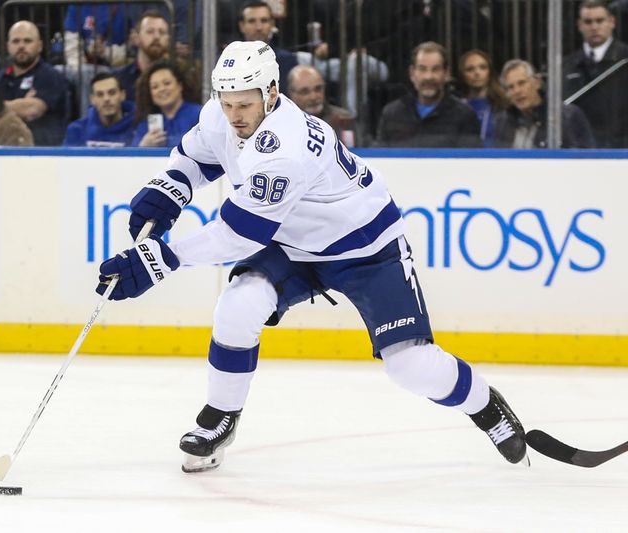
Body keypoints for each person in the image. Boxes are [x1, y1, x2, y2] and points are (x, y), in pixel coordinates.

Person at [96, 40, 528, 474]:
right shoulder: (222, 112)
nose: (234, 116)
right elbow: (197, 156)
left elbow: (239, 234)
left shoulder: (286, 147)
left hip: (366, 247)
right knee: (238, 304)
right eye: (226, 104)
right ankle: (220, 418)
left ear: (270, 92)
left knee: (411, 367)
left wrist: (160, 259)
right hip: (293, 240)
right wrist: (169, 187)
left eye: (244, 105)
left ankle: (487, 407)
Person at [375, 42, 482, 148]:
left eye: (435, 69)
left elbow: (471, 161)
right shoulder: (392, 114)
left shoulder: (464, 115)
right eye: (422, 69)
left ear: (446, 74)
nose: (428, 77)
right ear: (412, 73)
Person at [562, 0, 628, 148]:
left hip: (621, 153)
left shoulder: (624, 58)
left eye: (599, 21)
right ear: (579, 25)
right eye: (588, 22)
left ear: (612, 22)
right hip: (578, 153)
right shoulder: (567, 65)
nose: (594, 27)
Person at [0, 20, 70, 146]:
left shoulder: (50, 75)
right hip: (6, 148)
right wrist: (19, 104)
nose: (21, 46)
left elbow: (31, 110)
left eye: (27, 41)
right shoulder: (1, 77)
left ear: (40, 46)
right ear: (8, 46)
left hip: (43, 151)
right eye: (16, 41)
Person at [494, 59, 595, 149]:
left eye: (522, 83)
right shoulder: (502, 122)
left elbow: (584, 161)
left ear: (537, 83)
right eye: (510, 87)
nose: (517, 91)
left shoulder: (567, 116)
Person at [287, 65, 367, 147]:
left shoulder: (343, 119)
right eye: (305, 92)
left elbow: (362, 152)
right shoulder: (284, 123)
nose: (313, 97)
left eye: (318, 89)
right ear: (292, 94)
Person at [131, 61, 201, 147]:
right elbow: (131, 155)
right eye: (155, 87)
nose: (161, 89)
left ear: (180, 86)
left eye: (167, 83)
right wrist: (143, 147)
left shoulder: (199, 115)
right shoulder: (146, 123)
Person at [237, 1, 299, 95]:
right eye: (252, 21)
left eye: (264, 20)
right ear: (242, 26)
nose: (259, 27)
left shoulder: (287, 60)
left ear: (272, 24)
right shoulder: (231, 61)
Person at [111, 11, 172, 102]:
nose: (156, 37)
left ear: (168, 40)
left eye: (162, 32)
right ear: (136, 38)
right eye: (150, 31)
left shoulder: (177, 78)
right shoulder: (118, 78)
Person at [64, 73, 136, 147]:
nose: (106, 99)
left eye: (112, 93)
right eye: (100, 94)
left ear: (122, 95)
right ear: (92, 100)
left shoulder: (137, 129)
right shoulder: (76, 130)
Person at [456, 49, 510, 148]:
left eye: (483, 67)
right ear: (462, 75)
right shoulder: (456, 108)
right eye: (470, 69)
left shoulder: (504, 106)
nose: (477, 73)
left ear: (489, 72)